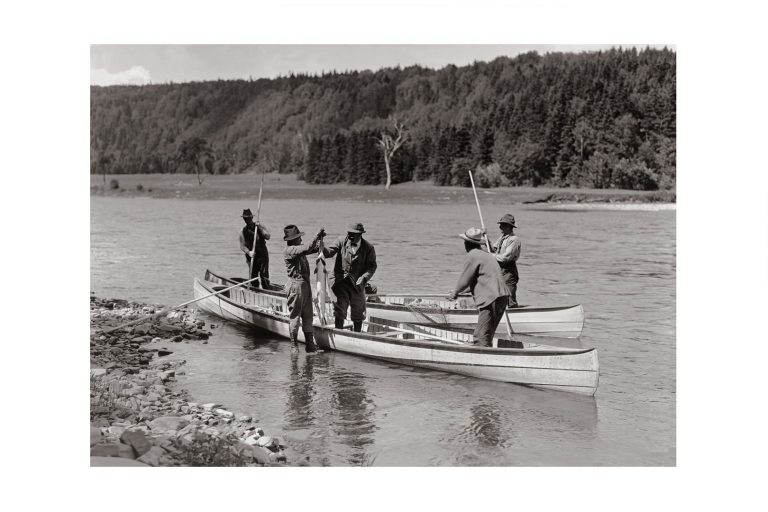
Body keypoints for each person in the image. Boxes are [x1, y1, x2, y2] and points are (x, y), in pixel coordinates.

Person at [447, 227, 510, 347]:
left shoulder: (473, 255)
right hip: (502, 297)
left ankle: (483, 358)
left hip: (491, 298)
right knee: (486, 334)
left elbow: (465, 278)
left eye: (465, 242)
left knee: (480, 336)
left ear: (467, 244)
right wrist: (461, 292)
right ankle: (489, 355)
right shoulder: (486, 255)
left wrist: (455, 291)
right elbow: (477, 280)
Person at [321, 222, 377, 332]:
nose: (350, 236)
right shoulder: (341, 241)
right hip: (339, 282)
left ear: (360, 234)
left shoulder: (368, 248)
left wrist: (364, 278)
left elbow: (372, 266)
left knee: (358, 312)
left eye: (353, 234)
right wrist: (321, 246)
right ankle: (339, 333)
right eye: (349, 233)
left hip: (357, 283)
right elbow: (329, 253)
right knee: (339, 310)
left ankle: (357, 335)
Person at [283, 224, 326, 353]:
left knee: (308, 316)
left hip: (305, 286)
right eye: (298, 238)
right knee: (295, 317)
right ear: (293, 240)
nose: (300, 240)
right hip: (295, 286)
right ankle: (293, 346)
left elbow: (310, 249)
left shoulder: (299, 250)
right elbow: (306, 247)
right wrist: (317, 235)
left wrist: (320, 242)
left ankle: (310, 345)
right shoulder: (290, 250)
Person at [491, 213, 522, 307]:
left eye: (502, 224)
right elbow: (493, 249)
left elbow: (505, 258)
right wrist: (486, 239)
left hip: (509, 272)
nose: (500, 226)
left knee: (510, 300)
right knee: (498, 297)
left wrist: (491, 256)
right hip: (500, 270)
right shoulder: (502, 238)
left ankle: (515, 315)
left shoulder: (514, 240)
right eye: (500, 224)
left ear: (509, 226)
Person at [239, 209, 271, 289]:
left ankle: (267, 290)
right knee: (253, 277)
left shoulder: (259, 226)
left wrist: (259, 227)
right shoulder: (243, 231)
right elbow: (242, 246)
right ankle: (255, 291)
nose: (247, 220)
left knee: (264, 276)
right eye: (245, 218)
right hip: (251, 257)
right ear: (243, 219)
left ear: (252, 218)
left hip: (262, 255)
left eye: (249, 218)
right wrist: (249, 252)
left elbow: (268, 237)